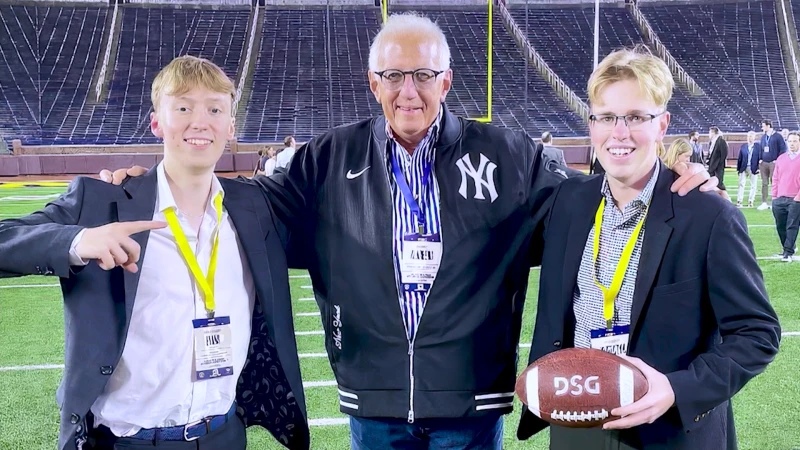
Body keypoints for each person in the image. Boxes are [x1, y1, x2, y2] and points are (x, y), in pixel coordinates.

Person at [102, 14, 717, 450]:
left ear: (447, 81)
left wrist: (674, 182)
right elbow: (242, 207)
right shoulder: (324, 161)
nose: (408, 91)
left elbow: (588, 207)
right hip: (373, 401)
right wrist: (148, 178)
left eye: (423, 75)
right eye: (393, 76)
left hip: (470, 403)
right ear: (373, 83)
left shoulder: (508, 154)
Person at [0, 56, 309, 450]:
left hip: (224, 435)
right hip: (126, 441)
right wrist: (77, 242)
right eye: (182, 107)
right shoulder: (101, 204)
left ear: (231, 126)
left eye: (215, 109)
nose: (199, 121)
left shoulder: (255, 207)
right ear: (156, 122)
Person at [517, 47, 780, 450]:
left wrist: (677, 389)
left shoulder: (707, 215)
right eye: (606, 117)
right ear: (591, 124)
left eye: (637, 117)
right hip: (577, 427)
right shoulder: (567, 201)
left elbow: (757, 333)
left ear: (662, 125)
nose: (619, 133)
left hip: (668, 432)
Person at [770, 131, 800, 262]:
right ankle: (787, 248)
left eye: (795, 141)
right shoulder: (781, 158)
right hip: (779, 198)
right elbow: (775, 178)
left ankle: (788, 252)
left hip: (795, 199)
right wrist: (774, 196)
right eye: (790, 141)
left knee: (792, 226)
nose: (792, 144)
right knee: (780, 226)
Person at [757, 119, 787, 210]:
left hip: (773, 163)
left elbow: (783, 149)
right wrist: (760, 159)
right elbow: (761, 149)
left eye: (763, 126)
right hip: (764, 163)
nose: (762, 128)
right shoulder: (763, 137)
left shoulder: (778, 136)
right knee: (764, 183)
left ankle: (776, 201)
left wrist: (777, 160)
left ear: (768, 126)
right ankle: (764, 202)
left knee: (774, 182)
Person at [736, 131, 761, 208]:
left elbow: (760, 158)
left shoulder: (758, 147)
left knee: (753, 185)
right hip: (743, 167)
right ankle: (739, 200)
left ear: (754, 138)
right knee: (741, 184)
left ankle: (751, 200)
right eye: (749, 136)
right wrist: (738, 169)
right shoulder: (743, 146)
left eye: (751, 136)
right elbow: (740, 158)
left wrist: (759, 168)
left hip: (753, 168)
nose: (750, 138)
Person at [706, 126, 728, 192]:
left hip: (718, 166)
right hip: (711, 166)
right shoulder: (711, 142)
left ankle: (724, 196)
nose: (709, 135)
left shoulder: (721, 141)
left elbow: (724, 154)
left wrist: (719, 164)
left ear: (713, 133)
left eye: (710, 133)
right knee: (711, 183)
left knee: (719, 183)